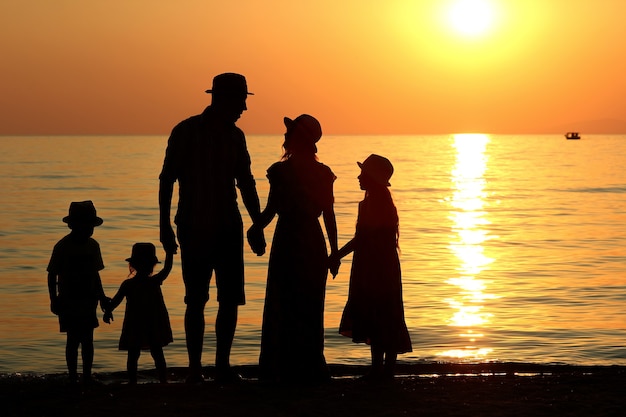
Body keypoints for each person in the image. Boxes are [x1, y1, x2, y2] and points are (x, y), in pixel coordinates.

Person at [159, 72, 265, 384]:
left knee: (230, 298)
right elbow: (167, 179)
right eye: (241, 100)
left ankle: (221, 366)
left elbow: (245, 182)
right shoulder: (186, 131)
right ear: (223, 99)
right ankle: (194, 368)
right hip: (193, 225)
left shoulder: (236, 136)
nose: (244, 108)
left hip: (228, 224)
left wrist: (257, 224)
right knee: (196, 298)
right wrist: (164, 227)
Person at [249, 114, 338, 384]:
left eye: (288, 134)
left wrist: (255, 228)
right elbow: (329, 215)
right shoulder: (321, 173)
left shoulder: (281, 171)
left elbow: (271, 210)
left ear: (298, 139)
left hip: (288, 238)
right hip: (311, 240)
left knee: (283, 301)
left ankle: (281, 366)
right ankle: (309, 365)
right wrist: (333, 252)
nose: (284, 138)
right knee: (309, 303)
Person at [329, 154, 412, 381]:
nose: (358, 177)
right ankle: (384, 369)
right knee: (386, 313)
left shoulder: (374, 203)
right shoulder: (379, 201)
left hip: (374, 266)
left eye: (363, 173)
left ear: (371, 177)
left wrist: (336, 255)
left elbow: (361, 238)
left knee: (378, 312)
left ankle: (380, 369)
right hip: (382, 264)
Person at [47, 200, 109, 385]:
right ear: (73, 225)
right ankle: (73, 375)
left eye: (91, 226)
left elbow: (96, 275)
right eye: (86, 225)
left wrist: (102, 297)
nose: (89, 230)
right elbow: (52, 275)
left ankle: (87, 375)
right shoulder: (62, 246)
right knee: (73, 340)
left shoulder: (93, 246)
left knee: (88, 340)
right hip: (68, 300)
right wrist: (54, 299)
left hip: (89, 300)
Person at [103, 243, 173, 384]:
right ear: (152, 265)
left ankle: (133, 381)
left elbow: (115, 302)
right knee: (157, 352)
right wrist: (169, 252)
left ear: (133, 265)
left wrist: (107, 310)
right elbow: (167, 268)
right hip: (153, 322)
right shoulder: (154, 281)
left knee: (133, 353)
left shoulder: (128, 284)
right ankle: (163, 381)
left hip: (135, 323)